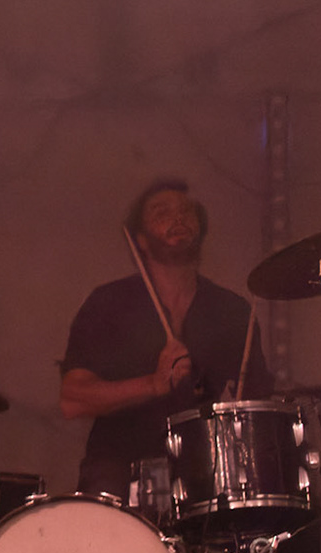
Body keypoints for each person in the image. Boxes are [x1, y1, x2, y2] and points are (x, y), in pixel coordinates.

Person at [58, 178, 270, 503]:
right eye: (162, 212)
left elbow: (257, 399)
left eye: (187, 211)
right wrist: (153, 384)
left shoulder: (233, 310)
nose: (178, 218)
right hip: (120, 469)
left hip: (207, 473)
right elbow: (73, 400)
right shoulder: (108, 303)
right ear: (140, 240)